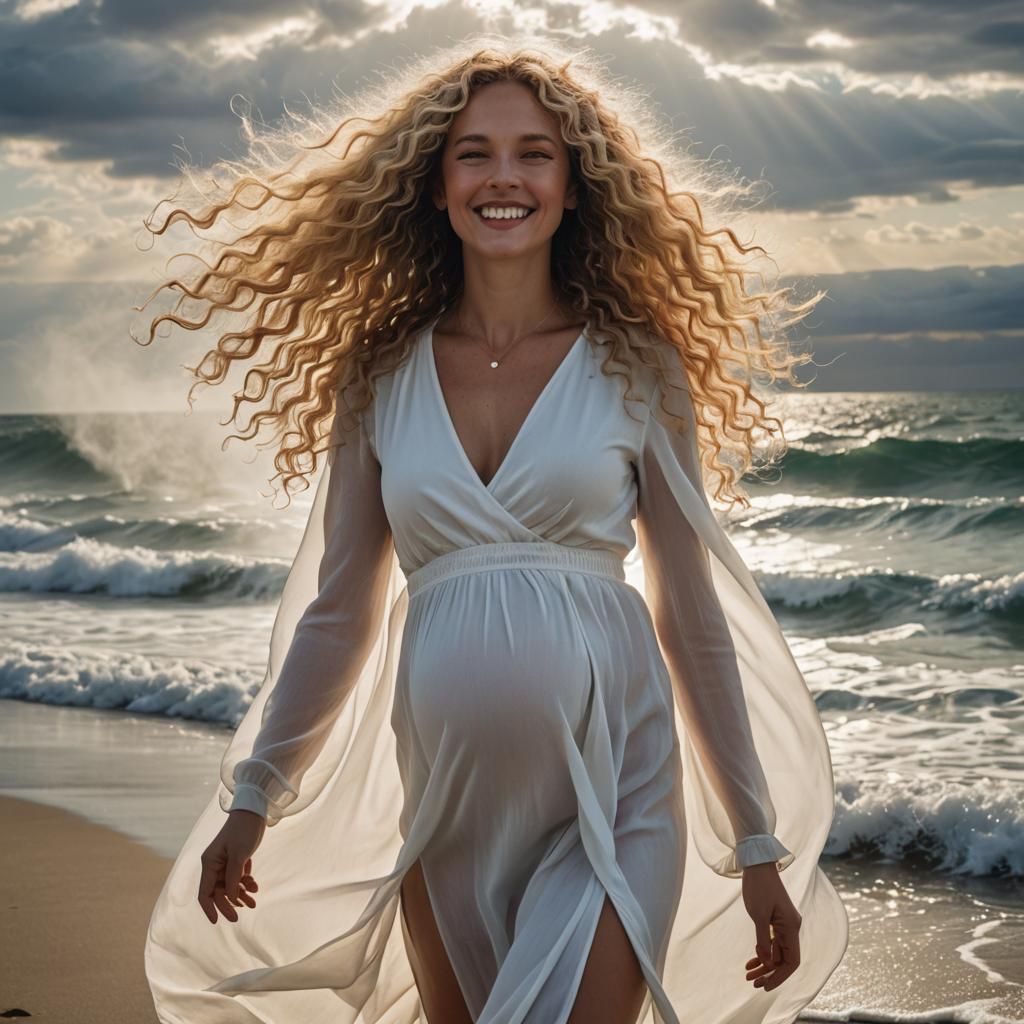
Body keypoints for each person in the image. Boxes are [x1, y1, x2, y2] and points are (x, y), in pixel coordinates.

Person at [141, 35, 848, 1024]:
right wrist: (255, 792)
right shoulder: (379, 373)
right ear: (433, 186)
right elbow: (340, 608)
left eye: (534, 153)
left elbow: (689, 611)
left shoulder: (635, 365)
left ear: (573, 185)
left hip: (616, 789)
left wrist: (755, 839)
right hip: (445, 806)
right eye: (473, 152)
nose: (503, 176)